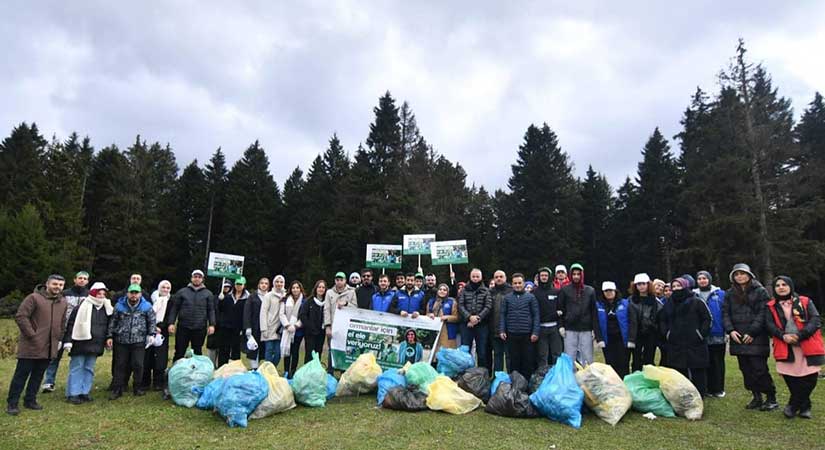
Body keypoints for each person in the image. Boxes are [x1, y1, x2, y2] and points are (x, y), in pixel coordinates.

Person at [6, 275, 67, 416]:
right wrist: (32, 335)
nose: (58, 287)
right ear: (47, 284)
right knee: (21, 375)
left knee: (38, 375)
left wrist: (59, 337)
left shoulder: (63, 302)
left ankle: (30, 400)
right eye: (55, 284)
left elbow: (63, 322)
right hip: (31, 345)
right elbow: (21, 316)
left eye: (61, 285)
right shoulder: (33, 298)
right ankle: (12, 403)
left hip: (49, 346)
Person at [764, 276, 823, 419]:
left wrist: (801, 335)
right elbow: (769, 325)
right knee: (791, 377)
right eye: (777, 285)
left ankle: (794, 404)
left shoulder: (805, 301)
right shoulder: (770, 306)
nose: (781, 287)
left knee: (810, 377)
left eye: (784, 284)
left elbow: (815, 320)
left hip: (807, 344)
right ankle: (804, 406)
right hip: (785, 345)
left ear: (790, 286)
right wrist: (783, 336)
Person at [723, 263, 778, 411]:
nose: (740, 276)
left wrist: (752, 332)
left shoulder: (760, 291)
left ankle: (771, 397)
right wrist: (730, 330)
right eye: (737, 274)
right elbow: (725, 313)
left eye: (742, 273)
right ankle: (756, 397)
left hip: (756, 337)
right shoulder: (729, 293)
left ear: (749, 275)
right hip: (738, 337)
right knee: (746, 369)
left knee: (759, 369)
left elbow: (763, 314)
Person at [63, 282, 113, 404]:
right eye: (99, 293)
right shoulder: (81, 307)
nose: (101, 296)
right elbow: (71, 325)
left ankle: (84, 392)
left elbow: (110, 326)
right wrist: (68, 341)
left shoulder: (108, 308)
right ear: (93, 293)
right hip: (80, 342)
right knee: (77, 367)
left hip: (97, 342)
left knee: (89, 368)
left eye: (103, 293)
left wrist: (108, 338)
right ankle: (73, 393)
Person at [660, 278, 711, 396]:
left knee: (698, 370)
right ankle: (683, 396)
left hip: (695, 342)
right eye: (674, 286)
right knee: (679, 371)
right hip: (676, 343)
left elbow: (707, 319)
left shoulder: (697, 301)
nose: (677, 289)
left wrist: (700, 334)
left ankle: (700, 395)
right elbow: (663, 320)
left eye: (679, 286)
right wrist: (667, 334)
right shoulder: (669, 304)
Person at [42, 271, 89, 393]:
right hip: (62, 328)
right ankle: (49, 381)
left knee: (77, 359)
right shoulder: (65, 293)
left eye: (85, 278)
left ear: (87, 281)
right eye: (80, 278)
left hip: (79, 330)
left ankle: (75, 383)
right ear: (75, 279)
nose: (82, 280)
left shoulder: (89, 295)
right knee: (54, 356)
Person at [107, 284, 156, 400]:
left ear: (140, 294)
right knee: (120, 365)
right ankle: (117, 389)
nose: (134, 295)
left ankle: (137, 387)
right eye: (132, 293)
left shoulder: (147, 306)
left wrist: (151, 334)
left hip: (139, 340)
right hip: (121, 340)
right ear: (127, 293)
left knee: (138, 365)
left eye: (136, 293)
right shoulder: (119, 306)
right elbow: (112, 322)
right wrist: (109, 336)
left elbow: (152, 321)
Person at [167, 270, 216, 361]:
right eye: (195, 277)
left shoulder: (208, 293)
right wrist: (171, 323)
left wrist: (212, 324)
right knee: (179, 352)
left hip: (200, 327)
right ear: (191, 278)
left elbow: (211, 310)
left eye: (199, 277)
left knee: (197, 352)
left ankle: (196, 373)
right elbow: (175, 309)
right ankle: (176, 372)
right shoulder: (182, 292)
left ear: (202, 279)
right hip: (183, 327)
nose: (197, 279)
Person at [558, 263, 601, 365]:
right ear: (570, 275)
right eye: (574, 274)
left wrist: (595, 330)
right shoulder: (565, 290)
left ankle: (587, 379)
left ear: (582, 275)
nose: (576, 276)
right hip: (569, 329)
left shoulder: (590, 290)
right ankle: (571, 379)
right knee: (569, 357)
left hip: (586, 329)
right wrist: (561, 326)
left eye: (578, 274)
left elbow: (594, 311)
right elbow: (560, 310)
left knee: (587, 357)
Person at [499, 273, 539, 380]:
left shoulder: (531, 297)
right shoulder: (507, 298)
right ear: (512, 284)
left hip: (527, 334)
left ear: (524, 284)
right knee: (514, 361)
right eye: (515, 283)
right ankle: (514, 384)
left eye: (519, 283)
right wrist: (502, 330)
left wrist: (535, 332)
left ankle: (526, 385)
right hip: (512, 334)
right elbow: (503, 314)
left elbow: (536, 315)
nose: (517, 285)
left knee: (527, 361)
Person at [694, 270, 727, 398]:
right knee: (704, 362)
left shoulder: (720, 294)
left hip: (717, 332)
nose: (702, 280)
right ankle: (707, 387)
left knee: (717, 361)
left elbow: (725, 312)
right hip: (701, 334)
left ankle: (718, 388)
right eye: (700, 278)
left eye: (704, 278)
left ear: (709, 279)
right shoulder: (694, 295)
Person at [141, 280, 174, 391]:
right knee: (147, 357)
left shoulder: (171, 301)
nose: (165, 290)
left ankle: (158, 382)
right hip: (149, 330)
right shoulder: (151, 299)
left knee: (160, 358)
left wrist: (161, 326)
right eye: (163, 287)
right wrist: (153, 327)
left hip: (162, 332)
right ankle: (145, 382)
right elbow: (146, 314)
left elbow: (171, 316)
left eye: (168, 288)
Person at [457, 268, 493, 368]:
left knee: (482, 352)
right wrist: (469, 317)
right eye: (473, 276)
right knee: (465, 351)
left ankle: (482, 375)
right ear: (470, 277)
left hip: (482, 325)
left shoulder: (486, 291)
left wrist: (478, 318)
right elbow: (460, 305)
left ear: (481, 277)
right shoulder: (464, 290)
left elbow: (488, 306)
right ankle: (466, 375)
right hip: (466, 324)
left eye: (477, 276)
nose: (475, 278)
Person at [596, 281, 631, 379]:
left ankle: (625, 384)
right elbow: (596, 323)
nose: (609, 293)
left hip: (621, 338)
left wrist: (630, 338)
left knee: (623, 363)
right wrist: (599, 339)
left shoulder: (625, 303)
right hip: (607, 339)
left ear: (615, 291)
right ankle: (613, 385)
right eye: (606, 291)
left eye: (611, 290)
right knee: (610, 364)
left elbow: (631, 320)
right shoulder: (598, 305)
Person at [324, 272, 357, 373]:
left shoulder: (351, 292)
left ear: (345, 281)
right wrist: (327, 326)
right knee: (331, 350)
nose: (339, 282)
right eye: (337, 280)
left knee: (345, 350)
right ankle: (330, 373)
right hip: (333, 326)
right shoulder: (329, 292)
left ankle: (344, 374)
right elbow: (326, 309)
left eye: (341, 280)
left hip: (346, 327)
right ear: (335, 281)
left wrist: (346, 303)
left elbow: (355, 307)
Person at [533, 266, 565, 369]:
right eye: (542, 275)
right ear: (538, 277)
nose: (544, 277)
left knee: (557, 354)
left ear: (549, 277)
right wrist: (553, 314)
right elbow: (536, 313)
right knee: (542, 355)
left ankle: (557, 377)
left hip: (555, 328)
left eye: (546, 275)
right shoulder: (534, 293)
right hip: (541, 329)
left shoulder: (556, 292)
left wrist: (560, 324)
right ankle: (543, 378)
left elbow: (561, 311)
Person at [627, 273, 660, 372]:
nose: (641, 286)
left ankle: (649, 382)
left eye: (643, 284)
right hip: (636, 334)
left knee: (649, 360)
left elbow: (659, 316)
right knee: (636, 360)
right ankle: (636, 382)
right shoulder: (631, 300)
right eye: (638, 284)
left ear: (648, 285)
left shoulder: (654, 300)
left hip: (651, 334)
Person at [217, 277, 247, 367]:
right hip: (225, 326)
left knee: (235, 350)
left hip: (238, 328)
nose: (238, 286)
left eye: (240, 284)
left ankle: (234, 369)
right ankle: (221, 368)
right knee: (223, 349)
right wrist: (220, 300)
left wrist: (244, 328)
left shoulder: (247, 298)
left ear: (244, 285)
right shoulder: (228, 296)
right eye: (237, 284)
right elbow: (220, 309)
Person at [487, 270, 512, 374]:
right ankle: (497, 378)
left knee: (509, 355)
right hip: (494, 328)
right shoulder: (489, 292)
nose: (499, 278)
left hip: (509, 329)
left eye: (501, 276)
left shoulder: (511, 290)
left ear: (505, 278)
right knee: (497, 354)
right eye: (496, 277)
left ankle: (511, 376)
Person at [299, 280, 327, 369]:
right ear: (316, 288)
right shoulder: (309, 301)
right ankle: (307, 373)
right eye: (319, 287)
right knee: (309, 354)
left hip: (321, 333)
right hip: (310, 333)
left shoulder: (327, 302)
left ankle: (316, 372)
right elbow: (302, 315)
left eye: (323, 287)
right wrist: (310, 326)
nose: (321, 289)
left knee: (318, 353)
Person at [243, 277, 269, 369]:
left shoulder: (269, 296)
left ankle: (263, 368)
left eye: (266, 283)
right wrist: (247, 327)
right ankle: (254, 368)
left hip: (266, 327)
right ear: (258, 285)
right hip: (254, 326)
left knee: (264, 348)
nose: (264, 285)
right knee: (253, 348)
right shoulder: (252, 297)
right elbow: (247, 312)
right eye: (262, 283)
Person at [260, 275, 286, 366]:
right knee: (269, 351)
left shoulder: (286, 295)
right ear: (274, 283)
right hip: (269, 327)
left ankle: (272, 368)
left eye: (281, 282)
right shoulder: (268, 296)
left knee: (278, 353)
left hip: (280, 329)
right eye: (277, 282)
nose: (279, 284)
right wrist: (264, 328)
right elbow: (263, 312)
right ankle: (267, 370)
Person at [427, 283, 460, 351]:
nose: (442, 291)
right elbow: (426, 314)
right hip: (434, 330)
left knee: (447, 353)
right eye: (440, 289)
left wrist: (447, 317)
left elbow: (457, 317)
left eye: (444, 290)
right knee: (435, 352)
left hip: (447, 330)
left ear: (447, 292)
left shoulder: (452, 301)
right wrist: (429, 315)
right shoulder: (431, 301)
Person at [207, 280, 232, 366]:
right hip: (215, 327)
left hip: (226, 328)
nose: (226, 288)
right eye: (224, 286)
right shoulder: (214, 298)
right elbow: (211, 311)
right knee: (212, 349)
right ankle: (211, 367)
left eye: (228, 287)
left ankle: (221, 368)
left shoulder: (231, 298)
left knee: (224, 350)